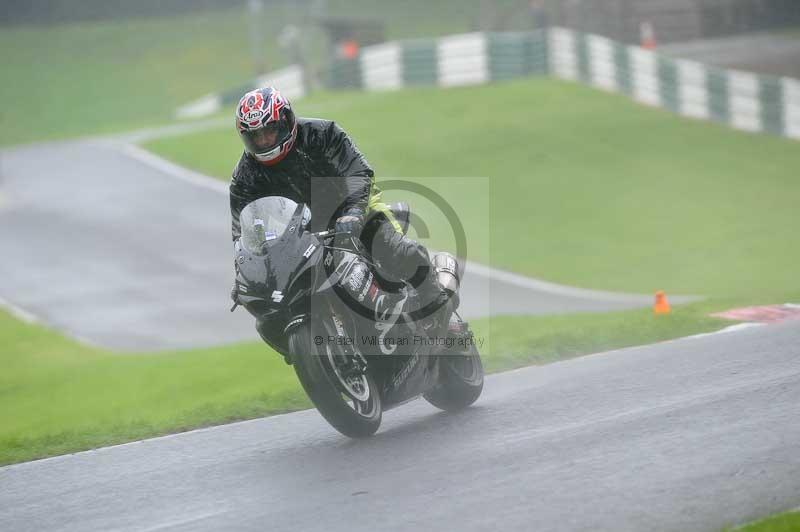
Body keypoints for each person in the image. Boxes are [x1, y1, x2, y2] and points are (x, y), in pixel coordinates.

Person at [229, 86, 457, 336]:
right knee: (269, 316)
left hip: (353, 208)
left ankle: (436, 305)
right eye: (256, 136)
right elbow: (243, 232)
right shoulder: (244, 177)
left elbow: (358, 172)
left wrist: (354, 213)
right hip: (300, 237)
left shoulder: (323, 134)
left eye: (269, 132)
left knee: (391, 247)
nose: (263, 141)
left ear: (285, 120)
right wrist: (249, 273)